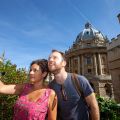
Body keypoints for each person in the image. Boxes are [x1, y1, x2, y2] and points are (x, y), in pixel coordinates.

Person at [48, 50, 100, 120]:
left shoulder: (80, 80)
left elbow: (93, 106)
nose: (50, 60)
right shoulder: (50, 87)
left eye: (55, 58)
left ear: (63, 63)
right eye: (49, 58)